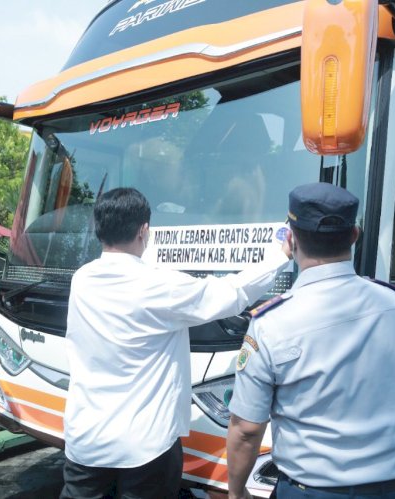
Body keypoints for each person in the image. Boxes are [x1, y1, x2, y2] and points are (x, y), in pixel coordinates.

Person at [61, 187, 292, 499]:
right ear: (144, 231)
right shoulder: (157, 285)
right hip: (144, 448)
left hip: (84, 440)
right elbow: (232, 293)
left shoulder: (82, 279)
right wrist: (281, 256)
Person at [226, 183, 395, 499]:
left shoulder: (271, 323)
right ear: (355, 235)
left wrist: (236, 493)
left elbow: (247, 430)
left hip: (311, 492)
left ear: (289, 241)